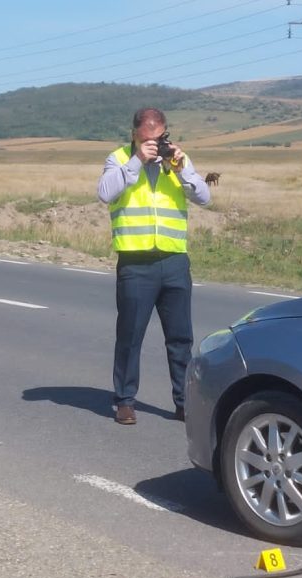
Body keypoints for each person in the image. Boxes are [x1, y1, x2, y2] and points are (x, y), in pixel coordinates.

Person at [96, 108, 210, 425]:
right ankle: (124, 401)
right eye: (148, 140)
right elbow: (105, 193)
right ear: (134, 134)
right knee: (130, 335)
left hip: (174, 260)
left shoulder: (175, 162)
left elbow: (204, 196)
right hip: (136, 262)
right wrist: (136, 162)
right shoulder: (118, 159)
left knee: (180, 338)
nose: (154, 145)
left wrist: (183, 168)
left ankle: (184, 402)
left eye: (159, 139)